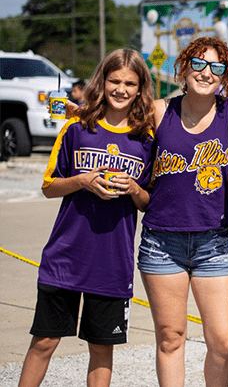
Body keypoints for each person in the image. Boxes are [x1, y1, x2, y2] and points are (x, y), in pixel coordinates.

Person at [19, 49, 156, 387]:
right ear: (102, 81)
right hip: (65, 256)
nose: (121, 89)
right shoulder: (77, 128)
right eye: (114, 81)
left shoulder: (146, 139)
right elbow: (49, 187)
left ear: (140, 89)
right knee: (45, 341)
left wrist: (133, 188)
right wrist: (83, 181)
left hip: (112, 263)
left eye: (130, 83)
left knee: (100, 348)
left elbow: (147, 201)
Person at [138, 37, 228, 387]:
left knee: (224, 341)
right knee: (170, 337)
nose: (205, 72)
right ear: (183, 68)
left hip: (214, 242)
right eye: (198, 63)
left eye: (216, 67)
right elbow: (114, 117)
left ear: (225, 76)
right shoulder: (158, 110)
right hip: (161, 242)